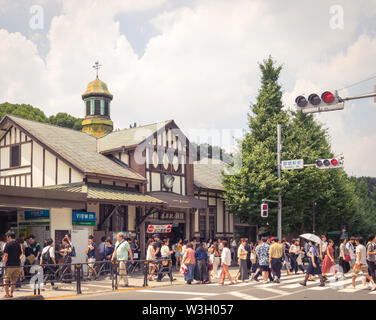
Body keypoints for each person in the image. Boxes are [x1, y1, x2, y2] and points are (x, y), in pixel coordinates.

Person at [2, 232, 22, 299]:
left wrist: (4, 265)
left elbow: (6, 255)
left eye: (7, 237)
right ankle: (11, 294)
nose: (6, 238)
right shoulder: (18, 244)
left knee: (5, 280)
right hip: (17, 265)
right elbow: (20, 254)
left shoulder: (8, 244)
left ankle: (7, 295)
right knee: (13, 281)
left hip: (9, 265)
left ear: (9, 237)